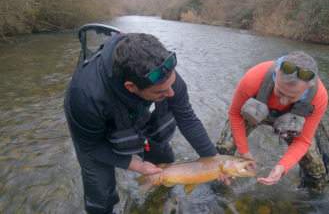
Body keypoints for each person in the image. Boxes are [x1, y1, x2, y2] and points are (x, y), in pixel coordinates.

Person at [64, 33, 221, 213]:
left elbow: (186, 118)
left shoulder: (163, 74)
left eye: (172, 83)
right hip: (93, 123)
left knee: (164, 160)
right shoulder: (84, 98)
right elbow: (92, 148)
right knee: (101, 194)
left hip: (135, 106)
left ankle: (162, 201)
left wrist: (215, 161)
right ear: (131, 87)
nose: (171, 93)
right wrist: (138, 166)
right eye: (161, 92)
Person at [216, 51, 329, 192]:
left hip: (291, 122)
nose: (282, 101)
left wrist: (282, 166)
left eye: (291, 97)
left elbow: (303, 141)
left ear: (309, 87)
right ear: (275, 74)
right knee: (223, 151)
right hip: (254, 112)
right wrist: (244, 152)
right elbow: (235, 114)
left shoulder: (319, 97)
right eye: (279, 91)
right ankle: (220, 191)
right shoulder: (254, 77)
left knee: (316, 170)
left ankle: (313, 202)